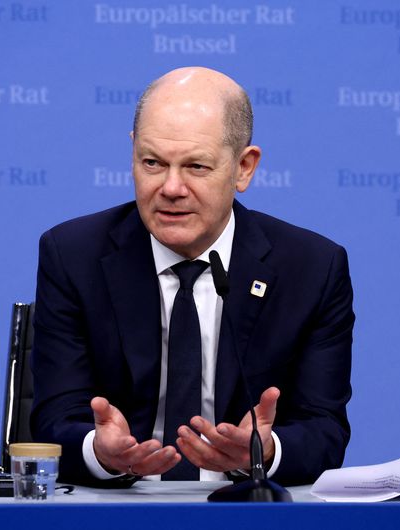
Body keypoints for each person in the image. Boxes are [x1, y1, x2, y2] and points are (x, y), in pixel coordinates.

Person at [30, 67, 354, 487]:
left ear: (244, 168)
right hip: (121, 511)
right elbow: (55, 420)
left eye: (196, 166)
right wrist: (101, 452)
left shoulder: (311, 268)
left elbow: (324, 430)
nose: (171, 187)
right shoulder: (74, 256)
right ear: (132, 154)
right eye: (152, 163)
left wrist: (262, 452)